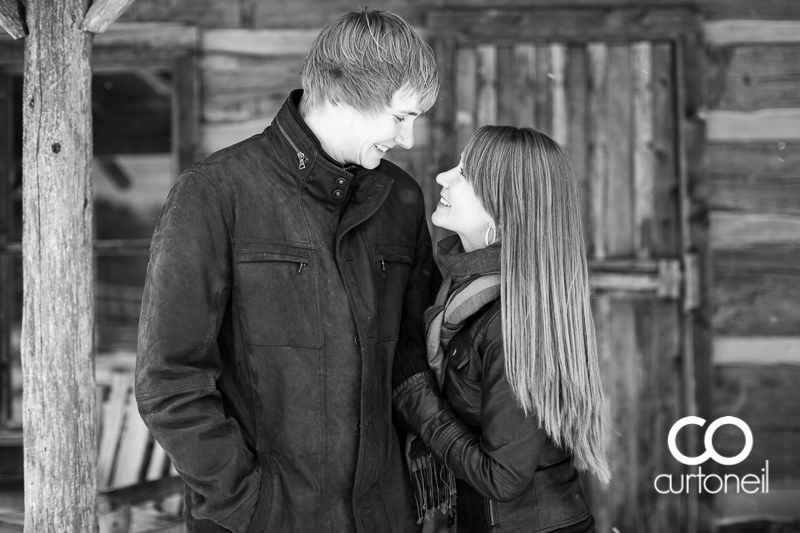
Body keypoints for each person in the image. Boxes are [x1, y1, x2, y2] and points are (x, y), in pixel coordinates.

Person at [135, 9, 440, 533]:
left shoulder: (401, 200)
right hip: (265, 517)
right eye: (400, 117)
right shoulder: (215, 192)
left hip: (383, 517)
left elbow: (414, 354)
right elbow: (169, 377)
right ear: (344, 93)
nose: (408, 140)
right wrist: (243, 503)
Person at [392, 125, 611, 533]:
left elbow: (503, 478)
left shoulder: (511, 324)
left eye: (466, 173)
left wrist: (414, 394)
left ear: (504, 209)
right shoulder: (467, 297)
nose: (443, 177)